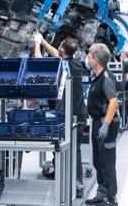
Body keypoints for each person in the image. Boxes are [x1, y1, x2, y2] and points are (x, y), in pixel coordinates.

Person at [33, 32, 87, 198]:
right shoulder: (74, 64)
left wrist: (36, 44)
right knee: (70, 148)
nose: (58, 47)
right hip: (79, 113)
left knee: (73, 149)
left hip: (70, 116)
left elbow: (38, 61)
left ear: (63, 50)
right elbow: (57, 55)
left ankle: (77, 183)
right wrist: (43, 41)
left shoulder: (62, 65)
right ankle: (63, 174)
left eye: (60, 45)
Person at [85, 43, 120, 206]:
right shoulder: (97, 76)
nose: (87, 59)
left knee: (107, 161)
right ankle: (102, 192)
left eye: (90, 57)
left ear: (96, 60)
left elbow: (113, 101)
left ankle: (111, 198)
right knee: (98, 161)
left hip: (106, 124)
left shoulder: (106, 78)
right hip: (97, 122)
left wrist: (105, 125)